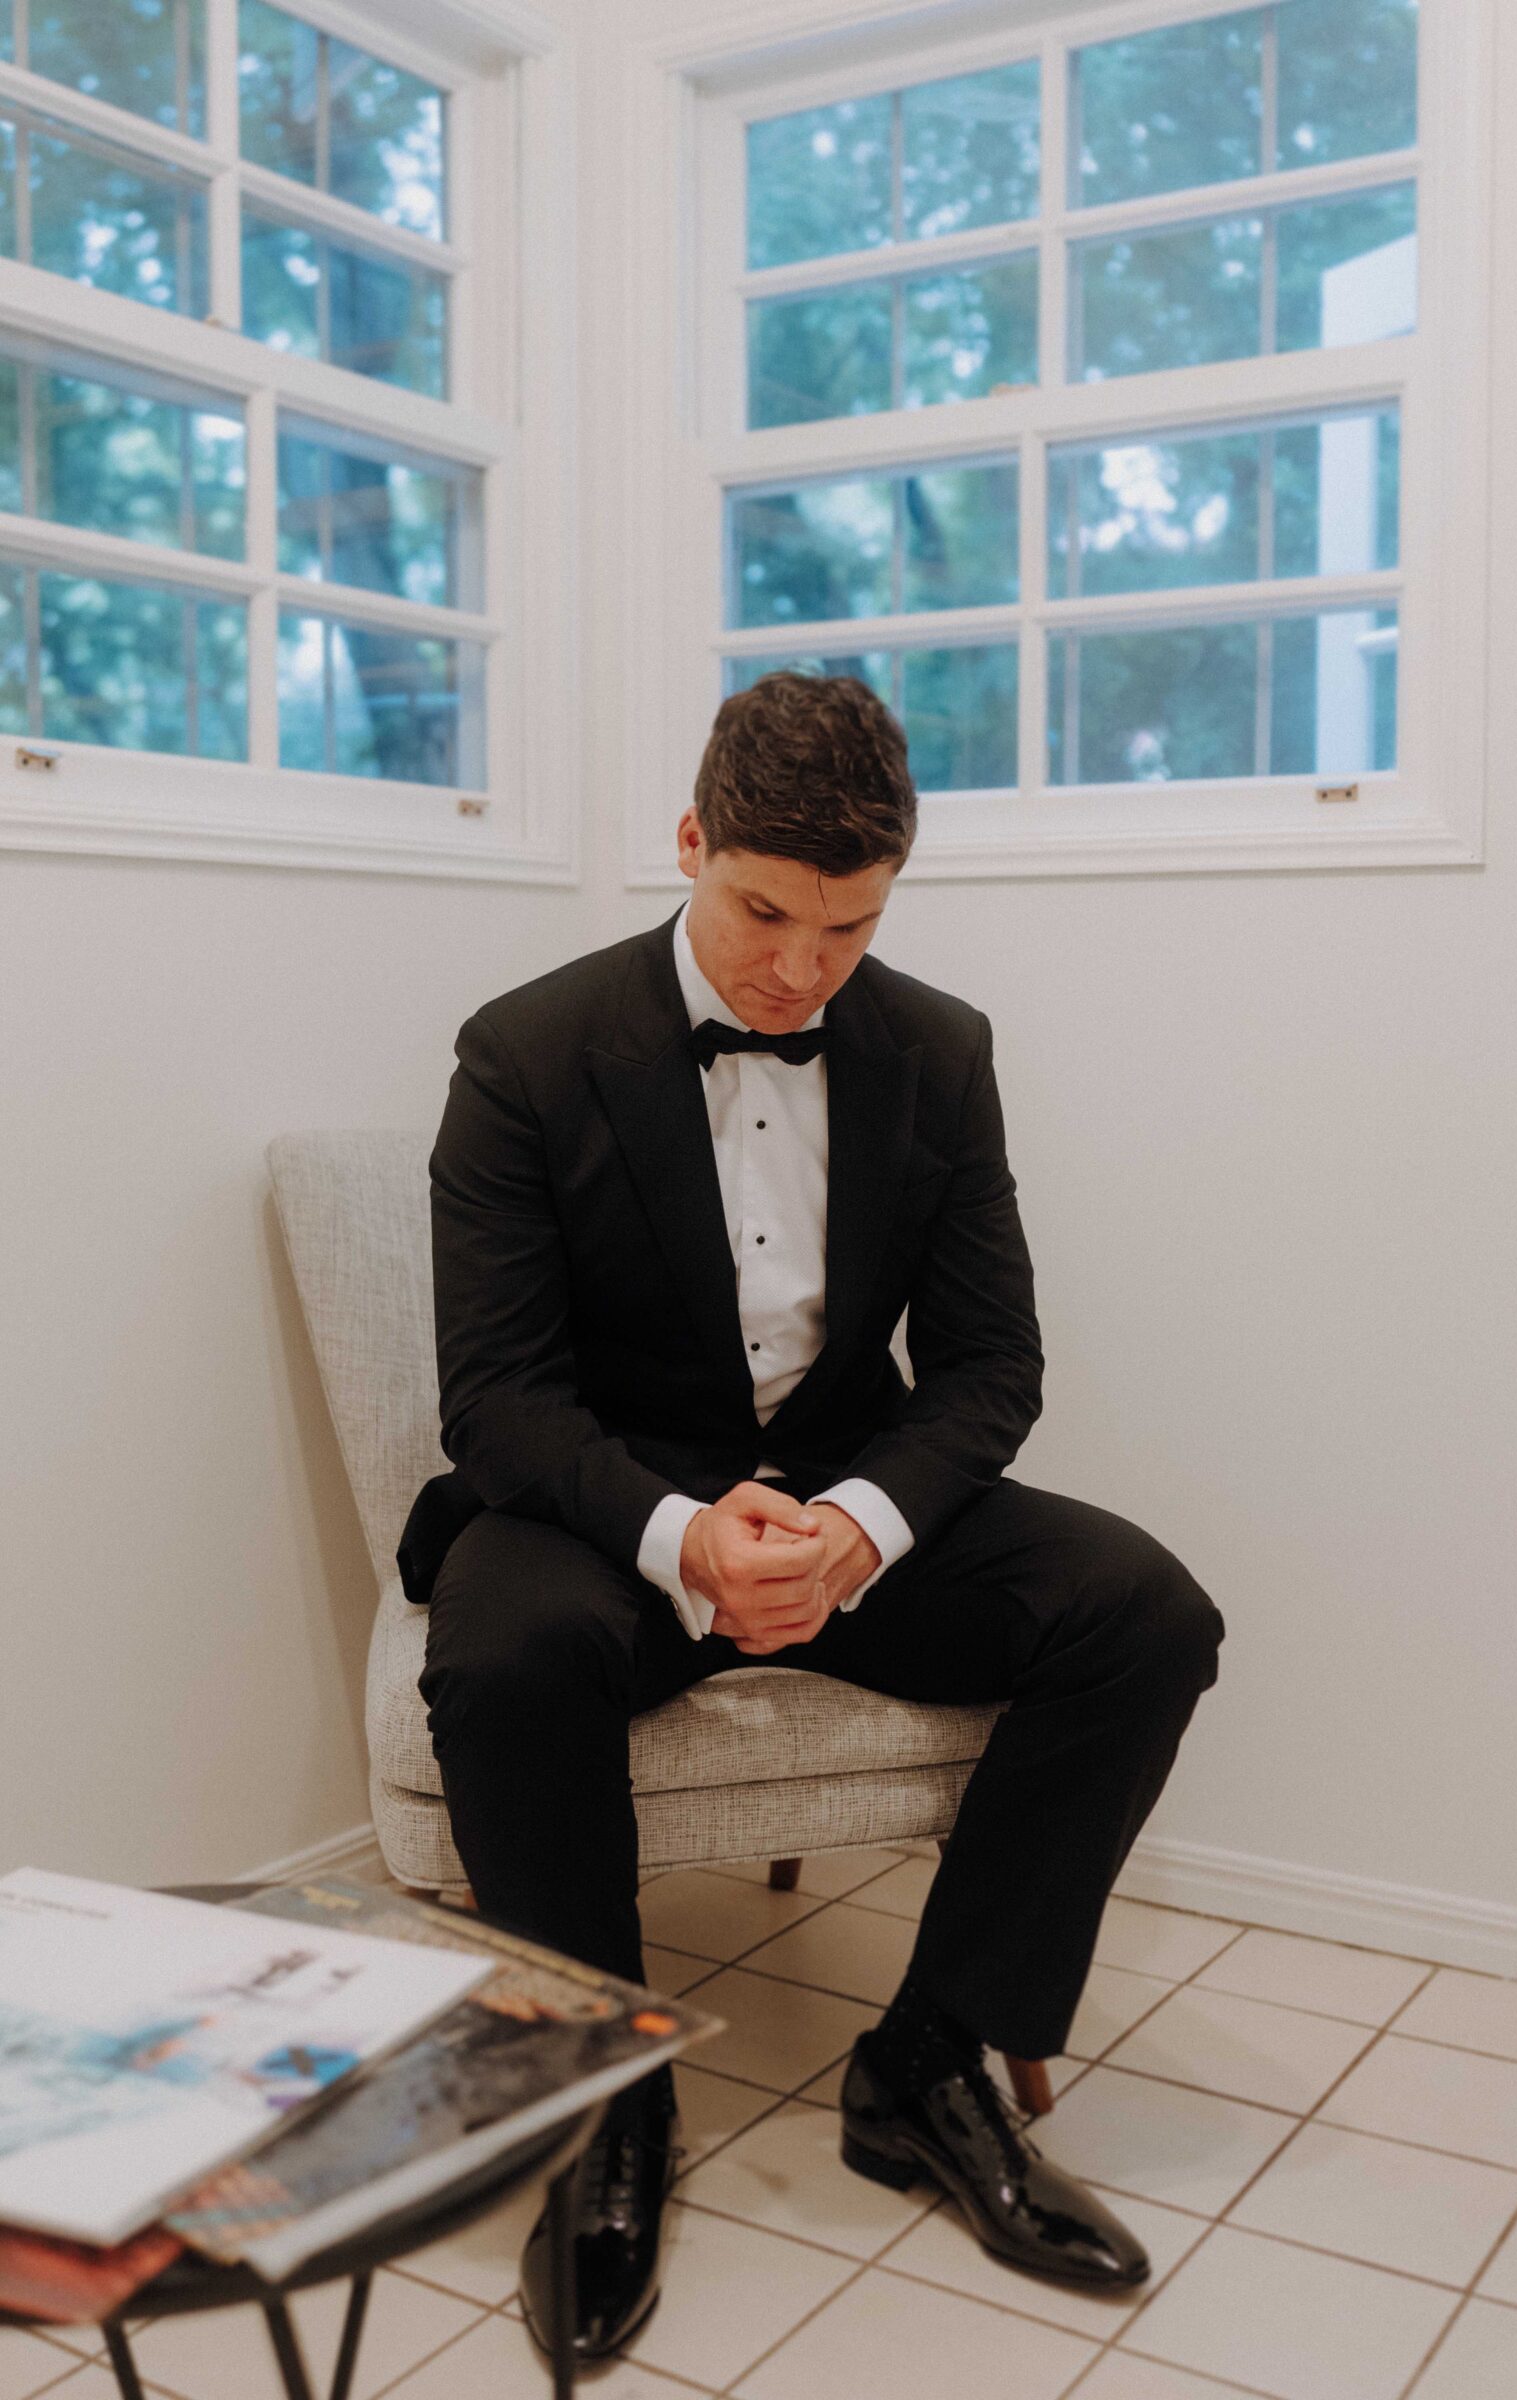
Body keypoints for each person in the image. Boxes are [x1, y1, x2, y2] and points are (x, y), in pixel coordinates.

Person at [401, 671, 1224, 2365]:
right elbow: (495, 1400)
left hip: (851, 1495)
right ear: (691, 843)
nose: (799, 967)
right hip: (602, 1501)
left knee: (1147, 1613)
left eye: (847, 927)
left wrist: (854, 1525)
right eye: (765, 911)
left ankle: (928, 2062)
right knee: (504, 1660)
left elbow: (995, 1365)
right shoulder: (526, 1051)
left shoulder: (939, 1047)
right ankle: (606, 2102)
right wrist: (682, 1537)